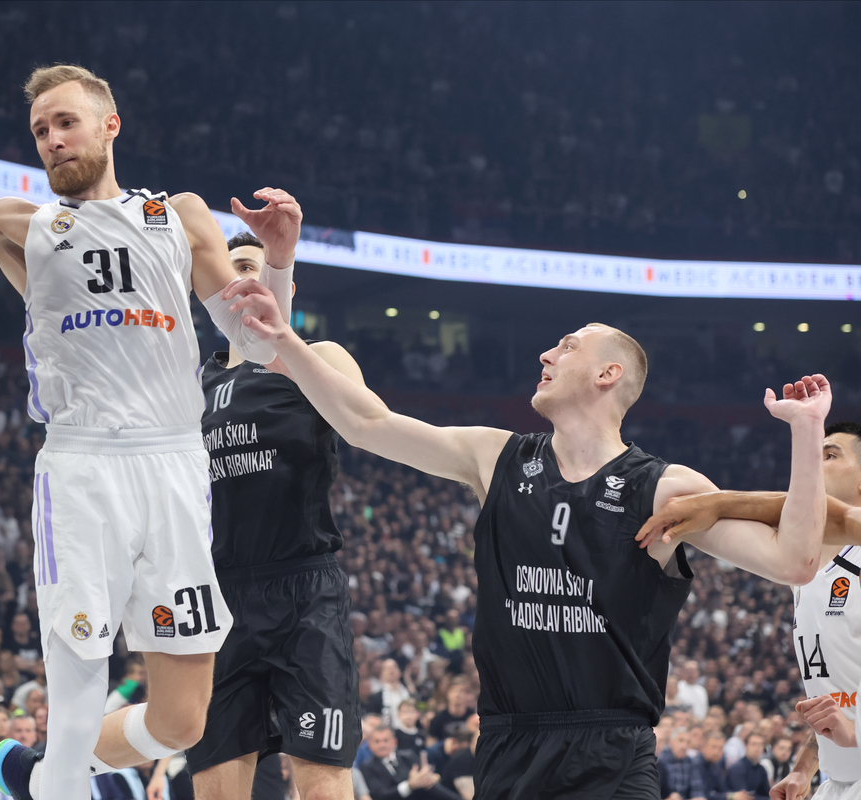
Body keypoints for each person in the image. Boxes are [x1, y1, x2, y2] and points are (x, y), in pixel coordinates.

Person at [0, 61, 299, 800]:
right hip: (83, 469)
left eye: (65, 122)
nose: (52, 140)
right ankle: (59, 774)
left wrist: (282, 261)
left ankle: (37, 777)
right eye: (40, 130)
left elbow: (260, 346)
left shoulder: (184, 216)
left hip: (174, 466)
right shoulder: (22, 225)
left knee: (182, 723)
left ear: (110, 124)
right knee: (75, 705)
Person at [226, 276, 833, 798]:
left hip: (611, 748)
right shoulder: (495, 457)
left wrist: (807, 434)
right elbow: (366, 422)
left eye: (566, 347)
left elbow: (796, 561)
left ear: (608, 373)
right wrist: (284, 339)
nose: (545, 353)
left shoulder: (664, 487)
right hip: (507, 744)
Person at [187, 231, 364, 800]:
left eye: (254, 267)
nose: (241, 277)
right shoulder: (193, 384)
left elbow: (366, 422)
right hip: (220, 597)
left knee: (319, 783)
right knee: (216, 788)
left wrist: (287, 350)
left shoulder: (319, 358)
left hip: (303, 592)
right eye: (231, 266)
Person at [642, 420, 861, 800]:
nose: (815, 462)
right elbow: (844, 700)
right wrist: (804, 768)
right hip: (838, 781)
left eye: (830, 455)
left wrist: (714, 502)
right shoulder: (805, 572)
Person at [357, 726, 459, 800]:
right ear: (369, 745)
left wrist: (431, 777)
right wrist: (409, 785)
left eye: (385, 740)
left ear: (395, 742)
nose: (382, 745)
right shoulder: (367, 767)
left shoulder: (408, 756)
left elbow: (426, 781)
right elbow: (380, 795)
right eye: (377, 741)